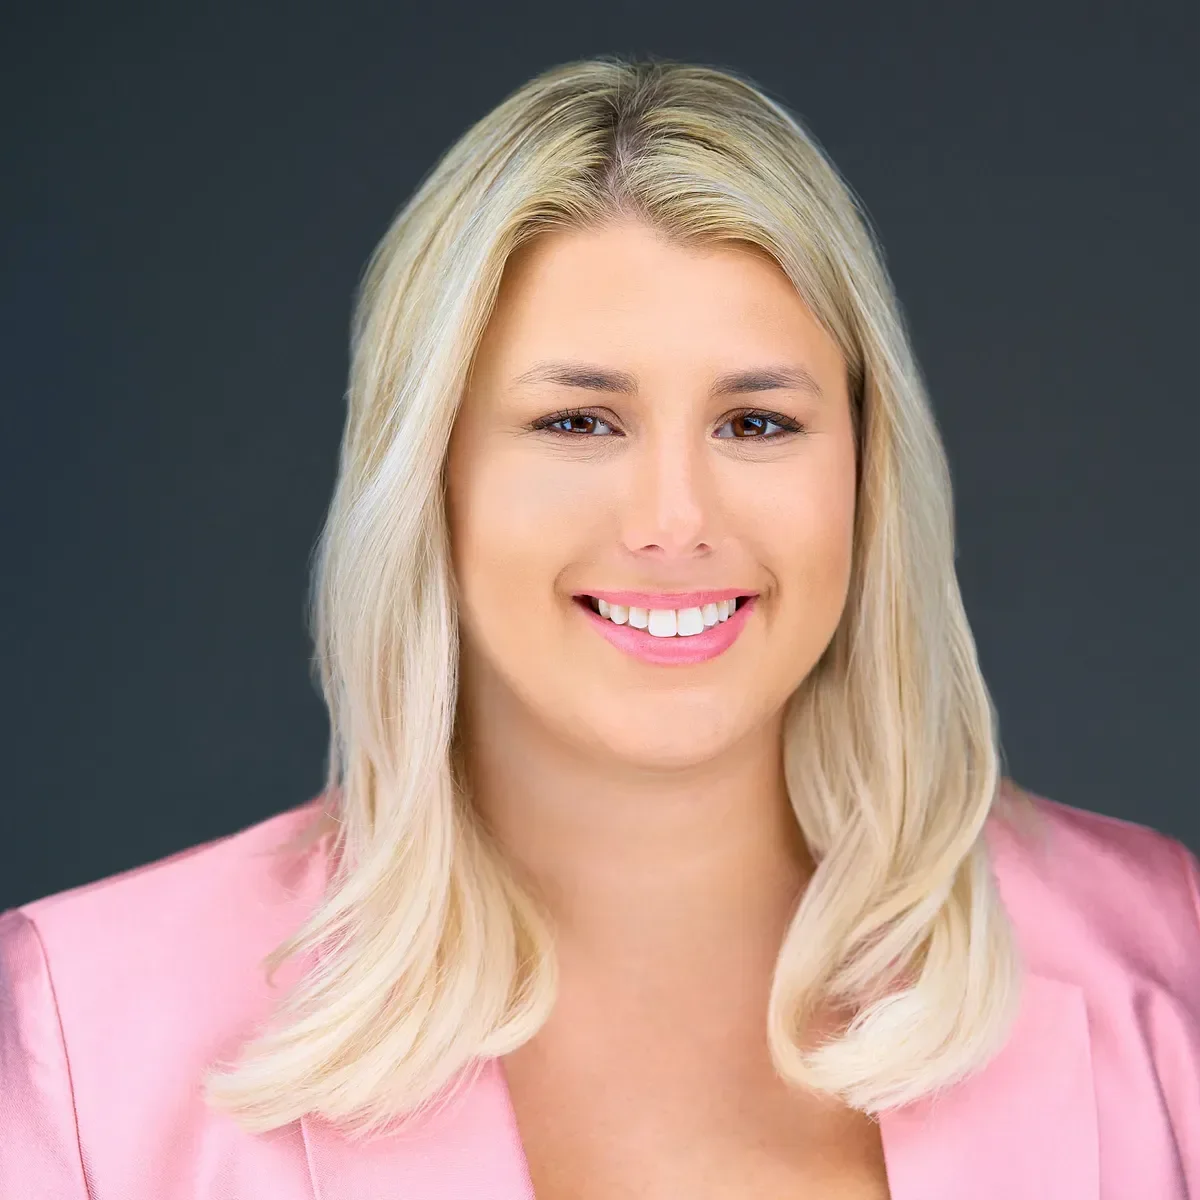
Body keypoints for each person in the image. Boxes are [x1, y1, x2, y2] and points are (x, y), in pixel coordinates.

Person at [1, 56, 1197, 1200]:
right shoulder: (76, 1035)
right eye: (578, 423)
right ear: (431, 474)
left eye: (758, 424)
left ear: (870, 474)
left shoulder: (1164, 960)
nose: (674, 523)